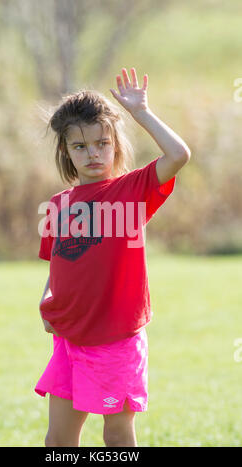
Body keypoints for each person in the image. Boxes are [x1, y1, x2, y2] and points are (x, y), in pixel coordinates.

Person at [34, 67, 191, 447]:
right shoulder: (59, 204)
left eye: (101, 143)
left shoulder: (131, 190)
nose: (92, 153)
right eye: (80, 146)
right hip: (70, 338)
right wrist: (46, 296)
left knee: (117, 434)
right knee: (58, 440)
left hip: (115, 341)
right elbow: (60, 259)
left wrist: (141, 113)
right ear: (66, 152)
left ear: (115, 145)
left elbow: (179, 154)